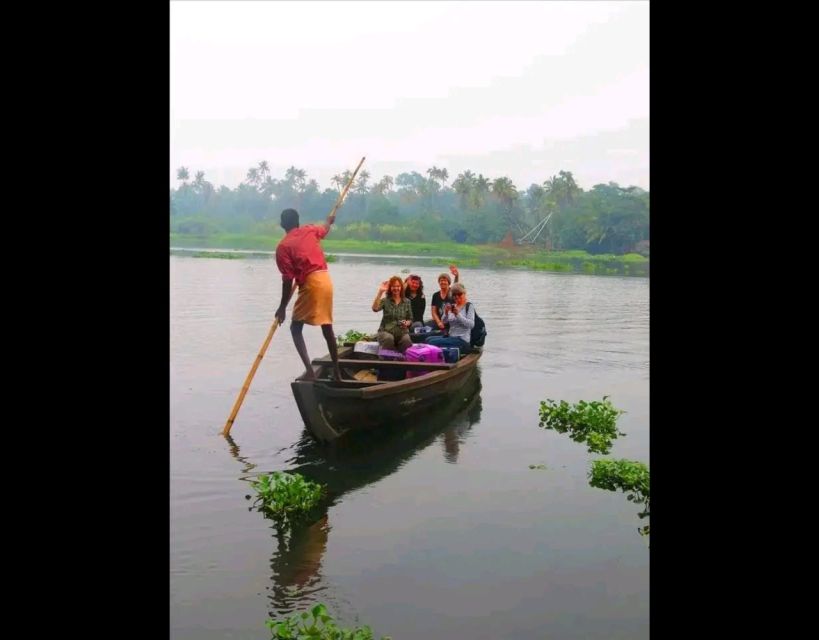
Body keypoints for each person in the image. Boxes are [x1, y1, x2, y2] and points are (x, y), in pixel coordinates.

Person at [274, 207, 342, 381]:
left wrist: (282, 308)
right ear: (298, 222)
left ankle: (310, 372)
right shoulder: (310, 229)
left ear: (282, 224)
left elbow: (288, 280)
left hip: (311, 283)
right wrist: (329, 220)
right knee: (327, 327)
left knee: (295, 328)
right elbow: (325, 228)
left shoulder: (283, 246)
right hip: (326, 280)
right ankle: (337, 372)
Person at [425, 283, 474, 355]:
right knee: (428, 339)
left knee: (431, 342)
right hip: (451, 337)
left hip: (462, 340)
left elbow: (471, 325)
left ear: (464, 294)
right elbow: (444, 322)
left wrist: (457, 315)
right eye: (454, 295)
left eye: (459, 294)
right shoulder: (453, 306)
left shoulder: (469, 306)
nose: (457, 296)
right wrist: (446, 312)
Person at [372, 275, 413, 353]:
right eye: (393, 286)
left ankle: (401, 361)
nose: (396, 288)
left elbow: (410, 319)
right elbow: (375, 309)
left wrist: (407, 323)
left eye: (398, 286)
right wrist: (380, 292)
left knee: (407, 341)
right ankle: (386, 360)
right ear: (390, 288)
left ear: (401, 287)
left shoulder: (407, 302)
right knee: (389, 339)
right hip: (385, 331)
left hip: (401, 332)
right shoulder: (385, 300)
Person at [427, 265, 460, 331]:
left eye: (445, 280)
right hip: (439, 321)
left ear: (448, 282)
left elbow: (456, 286)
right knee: (427, 327)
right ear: (439, 282)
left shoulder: (452, 293)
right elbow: (433, 312)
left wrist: (456, 276)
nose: (443, 282)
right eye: (441, 280)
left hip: (450, 321)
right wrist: (439, 322)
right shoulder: (435, 295)